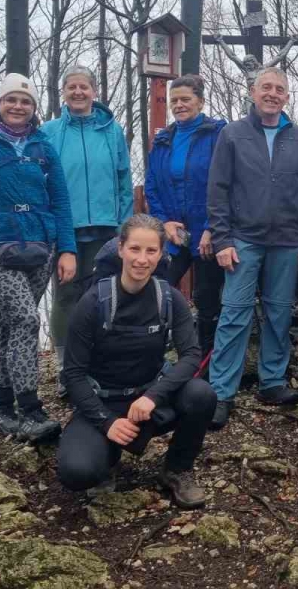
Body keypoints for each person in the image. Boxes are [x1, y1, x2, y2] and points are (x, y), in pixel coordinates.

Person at [56, 215, 216, 508]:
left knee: (201, 395)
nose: (142, 260)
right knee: (76, 474)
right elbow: (74, 375)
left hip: (149, 402)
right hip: (101, 402)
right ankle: (109, 455)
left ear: (161, 254)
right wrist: (107, 423)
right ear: (120, 249)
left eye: (151, 251)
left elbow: (192, 355)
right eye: (135, 249)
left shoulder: (169, 299)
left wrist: (153, 396)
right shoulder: (93, 303)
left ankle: (177, 470)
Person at [206, 66, 298, 430]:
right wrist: (222, 239)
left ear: (287, 96)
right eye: (266, 88)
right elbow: (218, 189)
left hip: (287, 240)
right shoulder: (233, 134)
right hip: (244, 238)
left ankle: (272, 382)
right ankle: (221, 392)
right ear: (253, 93)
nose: (272, 93)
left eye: (279, 89)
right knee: (234, 312)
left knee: (278, 313)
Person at [0, 73, 76, 443]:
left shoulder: (43, 147)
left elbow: (61, 201)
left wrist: (66, 249)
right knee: (25, 318)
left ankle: (0, 410)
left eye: (26, 101)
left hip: (41, 248)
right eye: (11, 100)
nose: (18, 106)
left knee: (13, 326)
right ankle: (30, 410)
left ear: (34, 108)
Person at [40, 65, 134, 375]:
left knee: (103, 294)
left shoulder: (111, 130)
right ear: (64, 92)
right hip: (65, 228)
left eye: (84, 87)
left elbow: (123, 179)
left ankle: (99, 361)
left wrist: (125, 226)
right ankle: (69, 368)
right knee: (67, 295)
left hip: (107, 228)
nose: (78, 92)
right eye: (72, 87)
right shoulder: (50, 132)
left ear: (94, 91)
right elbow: (40, 180)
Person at [144, 74, 227, 371]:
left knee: (207, 300)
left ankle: (204, 366)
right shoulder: (164, 139)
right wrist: (165, 223)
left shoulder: (218, 134)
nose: (179, 105)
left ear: (201, 101)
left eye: (185, 99)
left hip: (209, 235)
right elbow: (152, 185)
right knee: (155, 290)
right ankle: (154, 361)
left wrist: (211, 227)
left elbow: (225, 183)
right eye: (174, 100)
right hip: (174, 237)